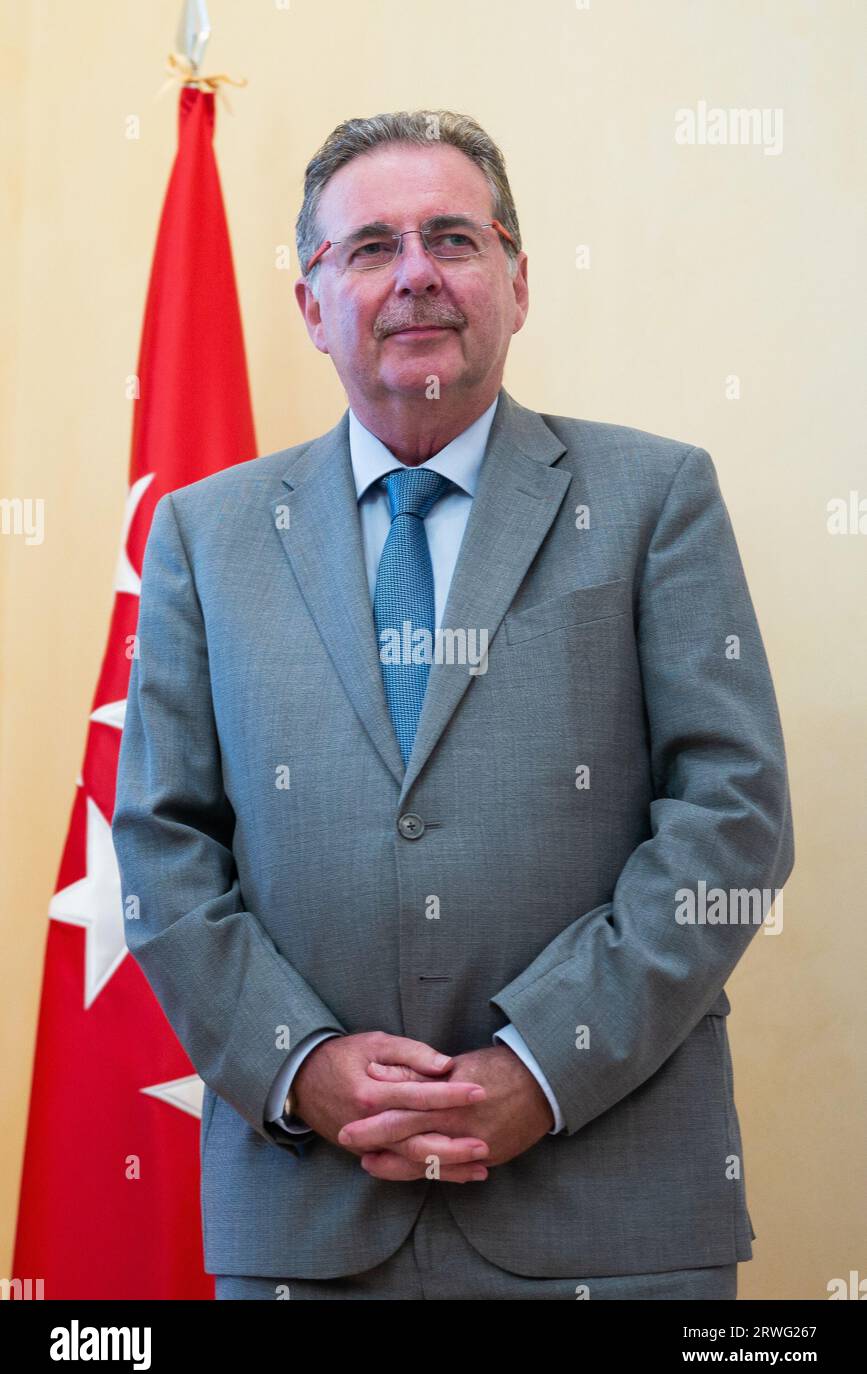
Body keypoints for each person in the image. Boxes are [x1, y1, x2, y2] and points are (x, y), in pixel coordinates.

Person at [112, 109, 795, 1300]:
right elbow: (161, 848)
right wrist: (302, 1064)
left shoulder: (655, 498)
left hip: (610, 1214)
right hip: (306, 1221)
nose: (416, 271)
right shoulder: (204, 536)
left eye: (453, 238)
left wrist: (542, 1061)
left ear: (518, 284)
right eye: (369, 247)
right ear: (313, 305)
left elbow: (733, 819)